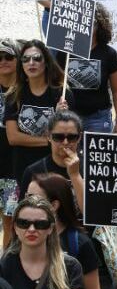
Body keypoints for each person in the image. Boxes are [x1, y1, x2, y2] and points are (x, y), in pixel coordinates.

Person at [5, 40, 73, 190]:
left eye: (37, 58)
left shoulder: (62, 94)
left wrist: (59, 117)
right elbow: (13, 137)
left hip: (53, 168)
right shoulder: (14, 95)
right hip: (22, 168)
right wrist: (49, 141)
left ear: (46, 62)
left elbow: (67, 138)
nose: (31, 63)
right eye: (26, 59)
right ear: (21, 65)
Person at [25, 173, 103, 289]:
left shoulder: (80, 243)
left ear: (54, 205)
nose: (26, 203)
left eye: (33, 198)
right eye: (26, 197)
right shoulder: (21, 237)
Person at [0, 195, 83, 289]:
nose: (31, 229)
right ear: (15, 227)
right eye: (23, 223)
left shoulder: (70, 267)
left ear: (50, 228)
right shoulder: (4, 265)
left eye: (40, 224)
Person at [67, 4, 117, 134]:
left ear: (99, 25)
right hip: (70, 118)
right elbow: (55, 83)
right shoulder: (66, 52)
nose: (86, 25)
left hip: (98, 118)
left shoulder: (109, 54)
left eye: (91, 21)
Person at [0, 39, 19, 249]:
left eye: (8, 57)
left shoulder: (26, 90)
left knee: (11, 223)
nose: (3, 61)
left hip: (13, 168)